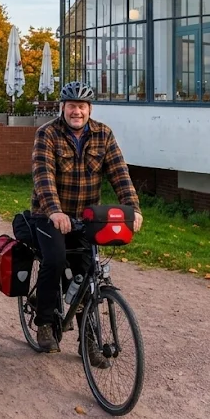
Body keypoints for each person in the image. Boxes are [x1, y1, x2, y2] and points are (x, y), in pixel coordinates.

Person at [28, 81, 144, 356]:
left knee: (86, 271)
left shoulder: (103, 134)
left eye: (81, 106)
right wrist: (55, 211)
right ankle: (44, 321)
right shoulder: (47, 134)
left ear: (89, 109)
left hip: (86, 217)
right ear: (62, 108)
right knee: (55, 259)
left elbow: (119, 172)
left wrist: (133, 208)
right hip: (48, 214)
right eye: (71, 106)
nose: (76, 111)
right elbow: (43, 176)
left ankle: (89, 339)